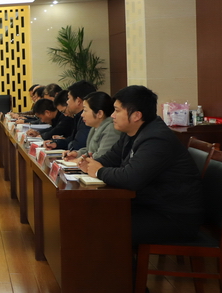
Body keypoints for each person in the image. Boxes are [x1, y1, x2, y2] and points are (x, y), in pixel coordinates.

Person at [82, 85, 203, 246]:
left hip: (173, 217)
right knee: (94, 214)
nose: (112, 116)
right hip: (149, 205)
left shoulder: (157, 139)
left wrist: (99, 171)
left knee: (105, 227)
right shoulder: (132, 133)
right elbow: (110, 159)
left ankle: (117, 263)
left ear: (136, 115)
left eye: (117, 111)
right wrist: (88, 163)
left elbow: (131, 178)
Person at [65, 91, 122, 162]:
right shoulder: (95, 127)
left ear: (99, 113)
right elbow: (90, 150)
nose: (82, 115)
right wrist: (77, 154)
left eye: (85, 110)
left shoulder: (111, 129)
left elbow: (101, 157)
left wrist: (80, 160)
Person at [48, 81, 96, 150]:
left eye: (69, 98)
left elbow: (77, 146)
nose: (67, 102)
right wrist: (56, 143)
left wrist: (69, 143)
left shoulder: (88, 118)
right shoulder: (78, 117)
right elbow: (72, 139)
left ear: (78, 101)